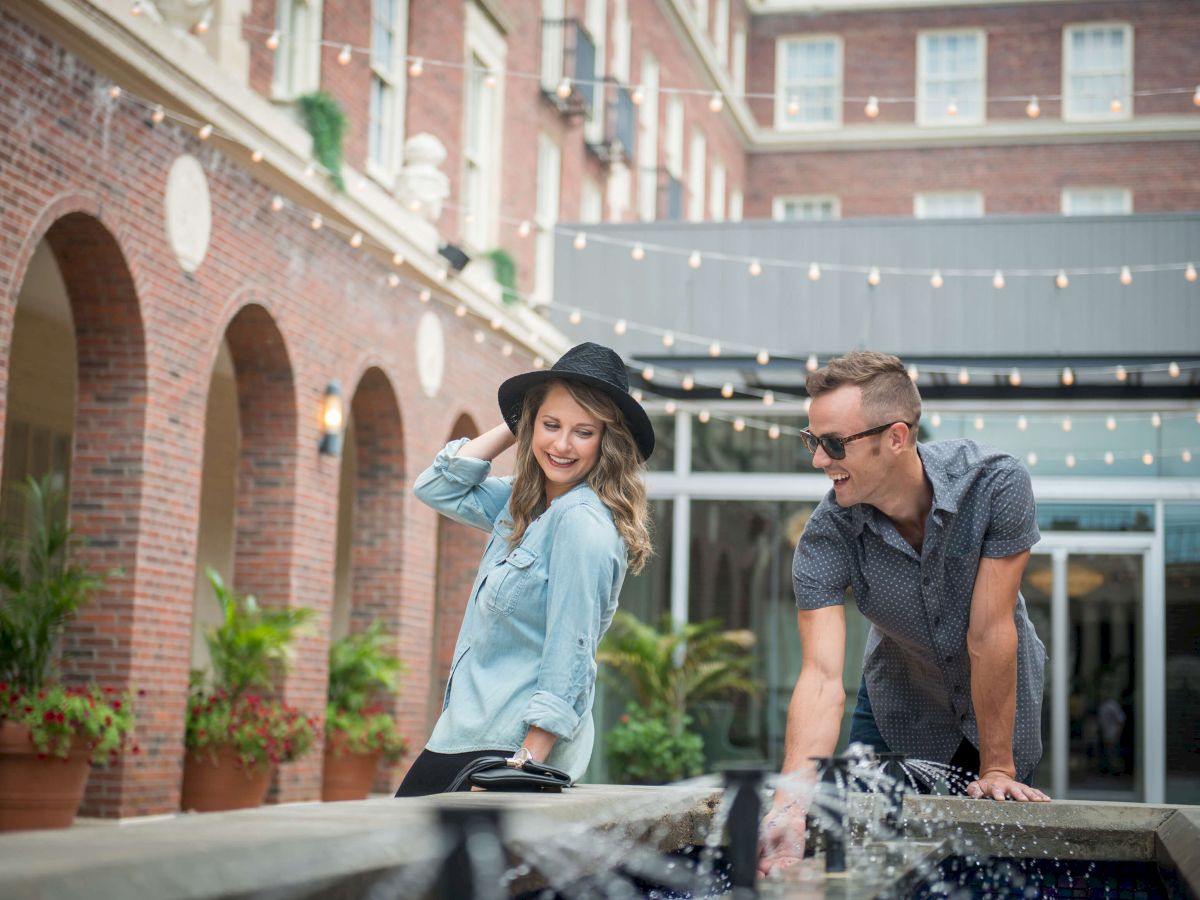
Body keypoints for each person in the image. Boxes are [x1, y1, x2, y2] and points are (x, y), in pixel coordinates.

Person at [759, 351, 1049, 875]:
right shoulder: (827, 537)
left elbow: (988, 632)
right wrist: (789, 804)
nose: (818, 461)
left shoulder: (994, 485)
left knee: (981, 863)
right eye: (812, 440)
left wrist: (998, 766)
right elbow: (822, 678)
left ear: (895, 437)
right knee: (865, 847)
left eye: (832, 444)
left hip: (999, 699)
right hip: (897, 700)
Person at [395, 342, 654, 796]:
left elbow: (571, 646)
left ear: (608, 441)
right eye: (550, 425)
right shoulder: (525, 502)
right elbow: (435, 487)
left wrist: (526, 761)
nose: (561, 445)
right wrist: (520, 422)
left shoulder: (580, 522)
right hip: (466, 732)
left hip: (505, 748)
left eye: (583, 431)